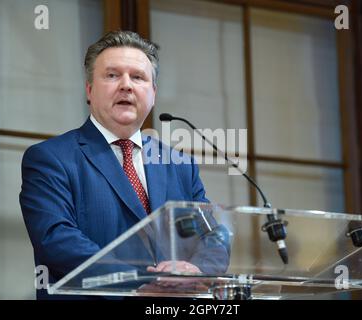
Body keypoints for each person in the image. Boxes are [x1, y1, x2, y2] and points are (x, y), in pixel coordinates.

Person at [19, 30, 229, 300]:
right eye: (112, 75)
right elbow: (57, 239)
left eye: (138, 77)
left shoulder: (180, 165)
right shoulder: (50, 158)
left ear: (152, 93)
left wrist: (196, 270)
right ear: (89, 90)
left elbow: (212, 236)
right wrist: (139, 284)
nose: (127, 85)